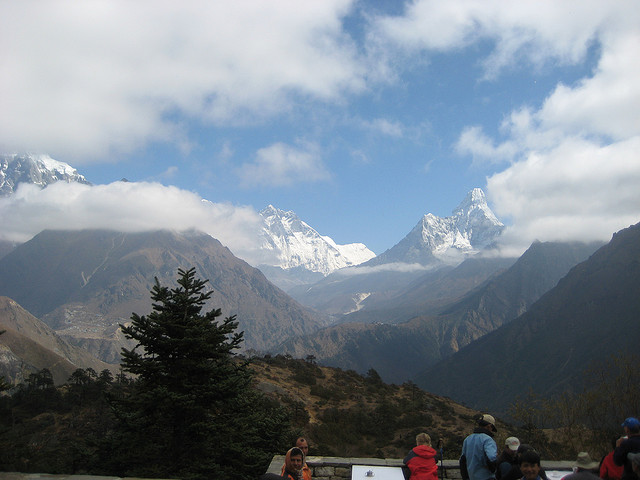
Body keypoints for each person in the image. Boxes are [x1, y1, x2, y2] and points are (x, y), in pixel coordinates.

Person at [460, 414, 499, 480]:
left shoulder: (468, 439)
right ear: (489, 426)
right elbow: (492, 458)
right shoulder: (488, 440)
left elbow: (462, 461)